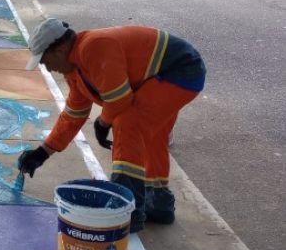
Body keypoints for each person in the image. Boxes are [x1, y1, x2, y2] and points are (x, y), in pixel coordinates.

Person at [18, 18, 206, 233]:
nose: (48, 68)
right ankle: (159, 201)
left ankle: (127, 210)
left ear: (59, 50)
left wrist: (103, 122)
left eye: (45, 61)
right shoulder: (76, 71)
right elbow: (73, 115)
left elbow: (119, 100)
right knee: (152, 134)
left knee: (129, 122)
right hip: (160, 78)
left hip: (181, 70)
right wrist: (42, 153)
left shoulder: (93, 47)